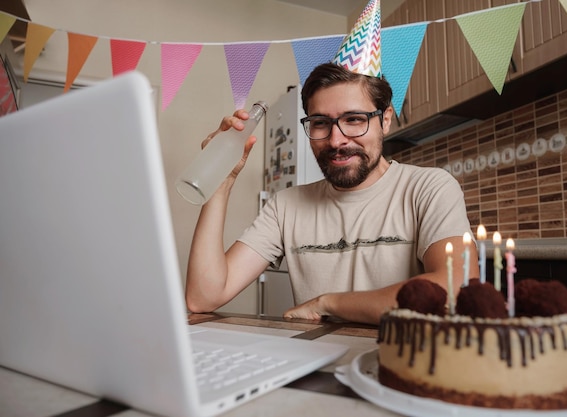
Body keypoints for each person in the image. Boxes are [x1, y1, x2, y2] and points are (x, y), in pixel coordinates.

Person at [185, 63, 479, 325]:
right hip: (317, 371)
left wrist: (327, 303)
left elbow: (454, 289)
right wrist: (220, 180)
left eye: (354, 119)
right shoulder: (286, 206)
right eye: (321, 123)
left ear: (385, 119)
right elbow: (203, 297)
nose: (336, 140)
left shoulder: (429, 188)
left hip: (399, 369)